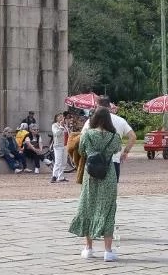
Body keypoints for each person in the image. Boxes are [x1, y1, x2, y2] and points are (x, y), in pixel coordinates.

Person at [70, 106, 124, 261]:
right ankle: (108, 251)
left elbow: (81, 151)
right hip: (108, 174)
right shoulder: (114, 136)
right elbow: (116, 150)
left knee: (88, 206)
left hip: (91, 174)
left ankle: (88, 248)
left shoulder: (87, 134)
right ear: (108, 120)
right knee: (108, 209)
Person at [99, 98, 136, 180]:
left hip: (96, 161)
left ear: (97, 107)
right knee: (112, 190)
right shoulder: (120, 120)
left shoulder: (91, 121)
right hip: (114, 160)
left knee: (95, 191)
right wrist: (125, 152)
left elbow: (82, 138)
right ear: (109, 106)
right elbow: (133, 137)